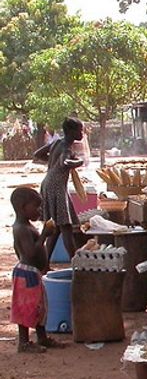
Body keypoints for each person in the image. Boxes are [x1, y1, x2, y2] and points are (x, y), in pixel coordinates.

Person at [10, 187, 64, 353]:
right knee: (26, 307)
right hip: (26, 273)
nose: (39, 211)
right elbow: (30, 252)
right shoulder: (21, 228)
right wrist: (44, 235)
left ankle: (42, 337)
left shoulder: (26, 226)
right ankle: (24, 342)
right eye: (36, 207)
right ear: (23, 207)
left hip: (32, 273)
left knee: (39, 306)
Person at [33, 117, 85, 259]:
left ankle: (45, 263)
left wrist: (51, 161)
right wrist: (79, 162)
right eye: (80, 130)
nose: (82, 133)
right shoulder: (66, 147)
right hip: (56, 187)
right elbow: (65, 163)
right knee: (66, 227)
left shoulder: (57, 142)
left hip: (49, 183)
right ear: (71, 131)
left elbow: (37, 154)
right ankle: (76, 262)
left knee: (54, 228)